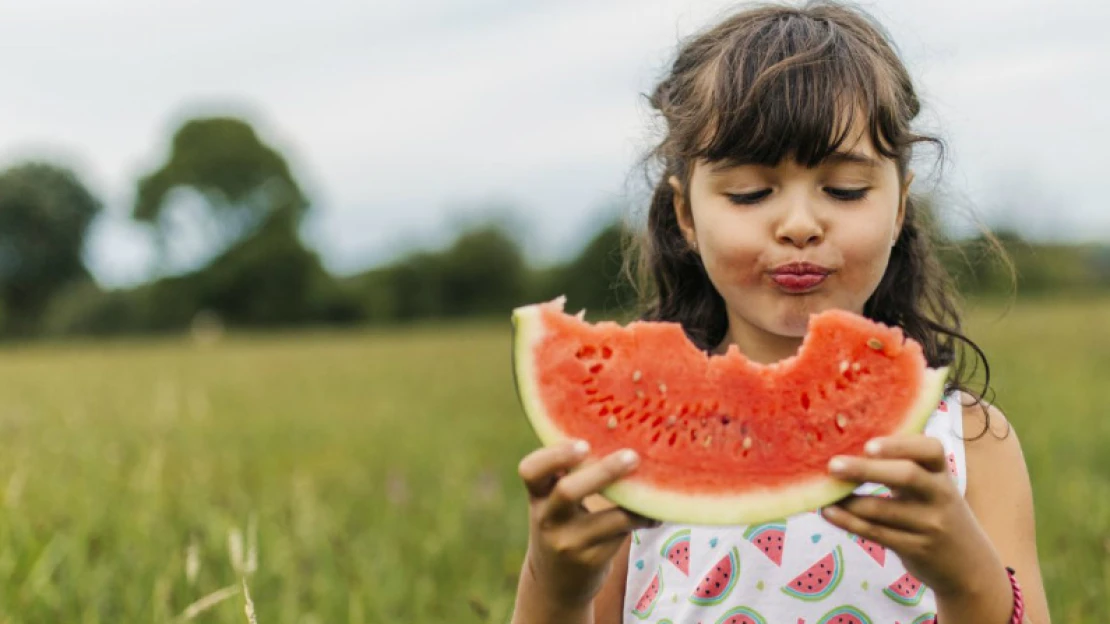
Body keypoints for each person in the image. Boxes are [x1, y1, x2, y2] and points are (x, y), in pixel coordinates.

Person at [510, 2, 1050, 623]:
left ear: (901, 206)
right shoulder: (618, 457)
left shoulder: (970, 443)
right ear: (686, 215)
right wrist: (555, 584)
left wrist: (968, 580)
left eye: (846, 189)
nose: (799, 225)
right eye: (751, 193)